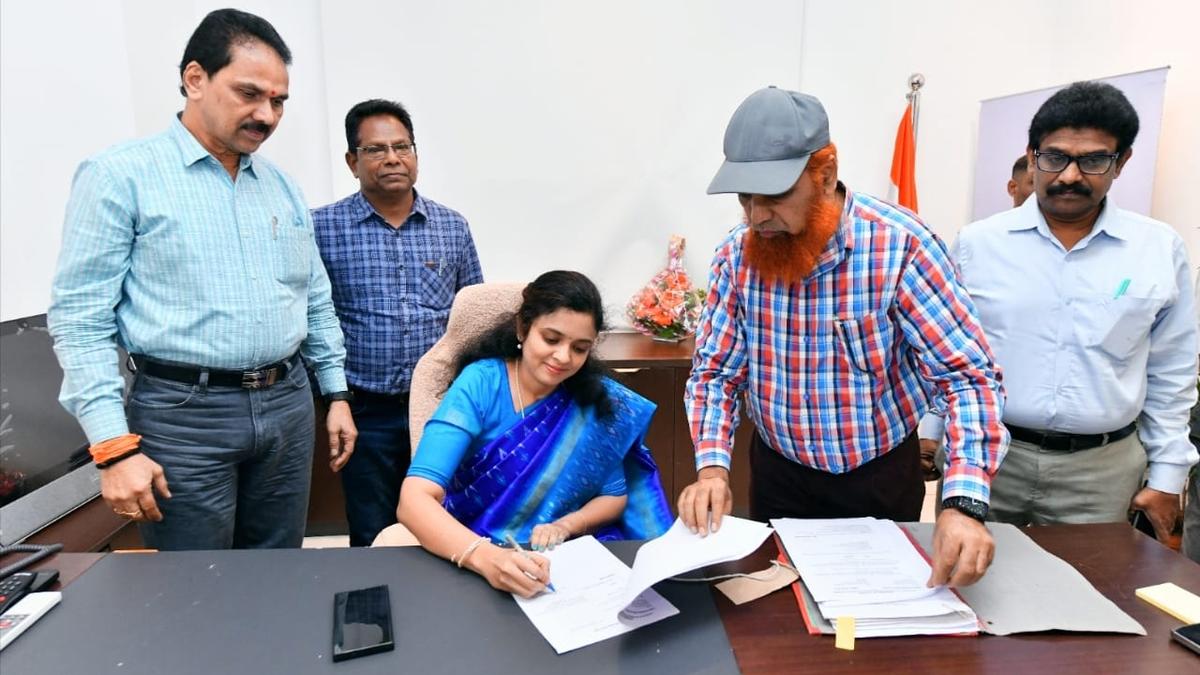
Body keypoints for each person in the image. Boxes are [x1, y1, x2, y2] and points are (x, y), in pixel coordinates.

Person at [48, 9, 357, 551]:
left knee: (278, 570)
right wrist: (113, 447)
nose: (267, 115)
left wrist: (336, 392)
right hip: (182, 417)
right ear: (195, 79)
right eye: (249, 94)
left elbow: (314, 297)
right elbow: (80, 320)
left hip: (287, 405)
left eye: (279, 101)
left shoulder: (282, 186)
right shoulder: (120, 176)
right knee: (195, 581)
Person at [679, 87, 1008, 588]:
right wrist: (712, 470)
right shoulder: (736, 257)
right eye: (745, 197)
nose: (757, 216)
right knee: (783, 614)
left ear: (826, 174)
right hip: (779, 476)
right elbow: (716, 375)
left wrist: (963, 503)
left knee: (881, 615)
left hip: (880, 477)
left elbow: (968, 378)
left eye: (774, 196)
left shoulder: (902, 246)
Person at [921, 81, 1198, 541]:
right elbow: (946, 352)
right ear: (1032, 157)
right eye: (1054, 158)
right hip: (990, 456)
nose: (1070, 175)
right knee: (973, 578)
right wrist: (930, 431)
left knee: (1092, 583)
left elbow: (1172, 371)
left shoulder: (1158, 249)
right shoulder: (978, 244)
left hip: (1100, 471)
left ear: (1122, 162)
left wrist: (1168, 473)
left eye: (1093, 160)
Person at [397, 271, 672, 597]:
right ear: (522, 328)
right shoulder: (481, 383)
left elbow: (614, 497)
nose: (563, 357)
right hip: (480, 545)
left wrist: (566, 525)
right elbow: (413, 500)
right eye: (551, 339)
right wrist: (488, 559)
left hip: (566, 554)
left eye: (580, 348)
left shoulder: (590, 399)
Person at [313, 99, 483, 546]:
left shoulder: (451, 226)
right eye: (375, 149)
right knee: (374, 532)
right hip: (364, 410)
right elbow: (312, 316)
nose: (392, 158)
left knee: (447, 523)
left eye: (402, 147)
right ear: (352, 161)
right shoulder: (321, 229)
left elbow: (473, 315)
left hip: (440, 406)